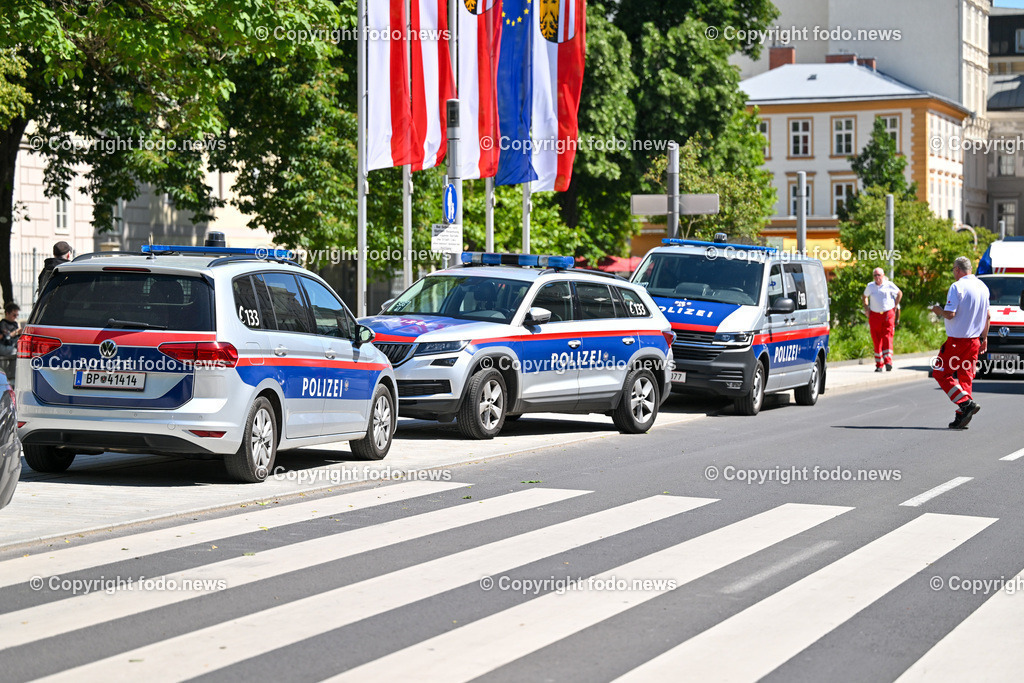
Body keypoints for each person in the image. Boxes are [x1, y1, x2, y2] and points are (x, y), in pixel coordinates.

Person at [931, 256, 991, 430]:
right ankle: (962, 416)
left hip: (957, 341)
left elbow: (950, 314)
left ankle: (965, 404)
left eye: (953, 270)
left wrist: (938, 310)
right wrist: (984, 338)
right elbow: (987, 316)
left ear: (957, 269)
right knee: (965, 378)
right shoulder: (983, 287)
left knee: (940, 373)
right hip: (973, 342)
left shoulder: (957, 286)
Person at [863, 268, 903, 372]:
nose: (877, 278)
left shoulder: (889, 284)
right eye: (875, 275)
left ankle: (888, 361)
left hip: (887, 314)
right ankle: (879, 364)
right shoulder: (870, 286)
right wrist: (866, 308)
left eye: (879, 275)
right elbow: (864, 296)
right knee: (876, 339)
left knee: (887, 336)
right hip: (875, 315)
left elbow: (899, 293)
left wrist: (895, 305)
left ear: (883, 275)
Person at [0, 303, 21, 381]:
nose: (15, 317)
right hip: (4, 346)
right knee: (17, 352)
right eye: (14, 315)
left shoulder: (14, 323)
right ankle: (12, 377)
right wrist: (16, 332)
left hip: (13, 345)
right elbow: (5, 338)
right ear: (7, 313)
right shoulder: (2, 324)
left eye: (17, 315)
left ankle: (13, 376)